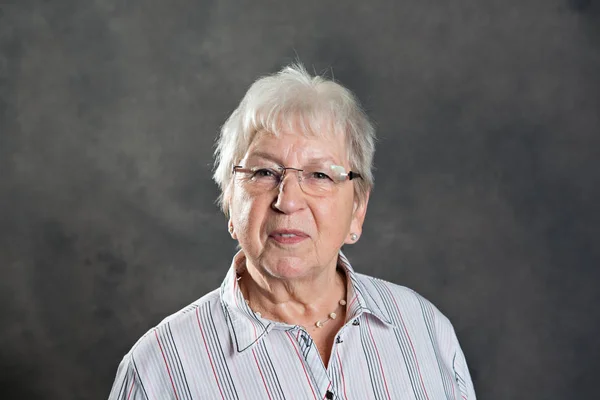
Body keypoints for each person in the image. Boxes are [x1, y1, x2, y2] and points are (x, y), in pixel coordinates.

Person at [108, 64, 476, 399]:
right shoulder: (157, 371)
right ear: (229, 202)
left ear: (357, 210)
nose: (288, 201)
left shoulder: (427, 331)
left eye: (319, 175)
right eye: (265, 172)